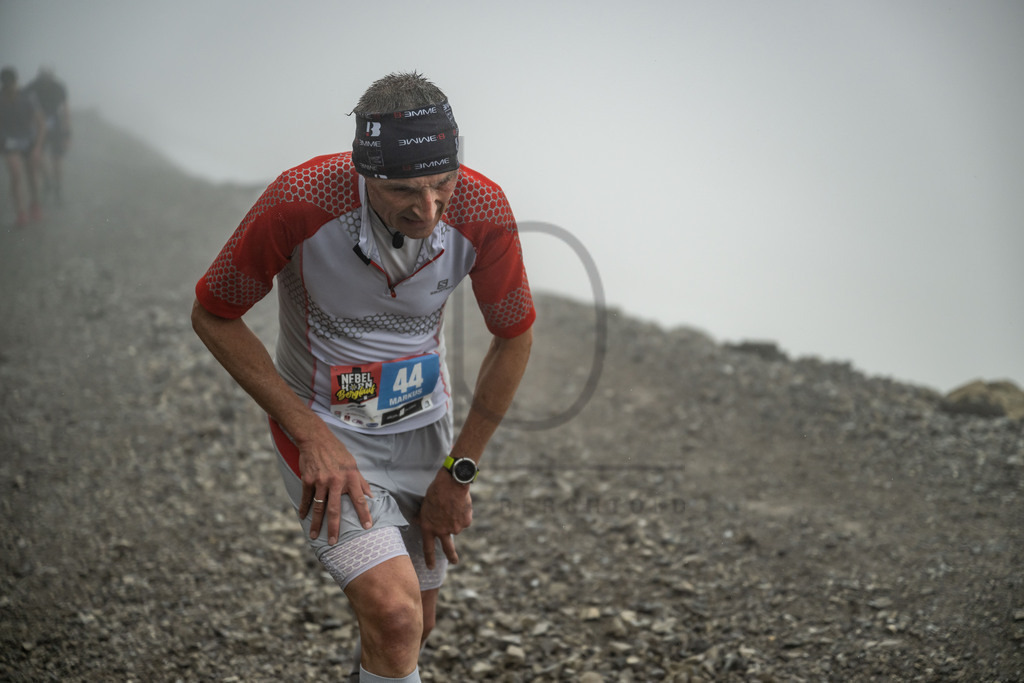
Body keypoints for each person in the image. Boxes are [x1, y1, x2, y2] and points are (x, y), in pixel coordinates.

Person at [191, 72, 534, 682]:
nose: (428, 209)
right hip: (325, 431)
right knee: (396, 618)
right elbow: (214, 315)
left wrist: (460, 470)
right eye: (404, 189)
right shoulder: (301, 201)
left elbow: (514, 336)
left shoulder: (482, 207)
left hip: (425, 432)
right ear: (364, 173)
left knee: (415, 628)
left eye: (441, 183)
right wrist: (310, 435)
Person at [0, 66, 45, 227]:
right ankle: (21, 212)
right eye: (6, 85)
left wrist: (38, 148)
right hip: (8, 141)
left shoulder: (27, 97)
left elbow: (41, 123)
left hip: (29, 140)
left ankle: (35, 203)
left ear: (16, 82)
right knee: (15, 173)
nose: (9, 88)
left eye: (11, 84)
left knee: (31, 175)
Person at [24, 66, 70, 204]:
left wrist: (67, 133)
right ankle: (50, 182)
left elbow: (66, 109)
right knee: (40, 157)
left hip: (54, 125)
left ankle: (57, 187)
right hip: (38, 125)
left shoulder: (58, 87)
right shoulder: (33, 87)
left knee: (56, 158)